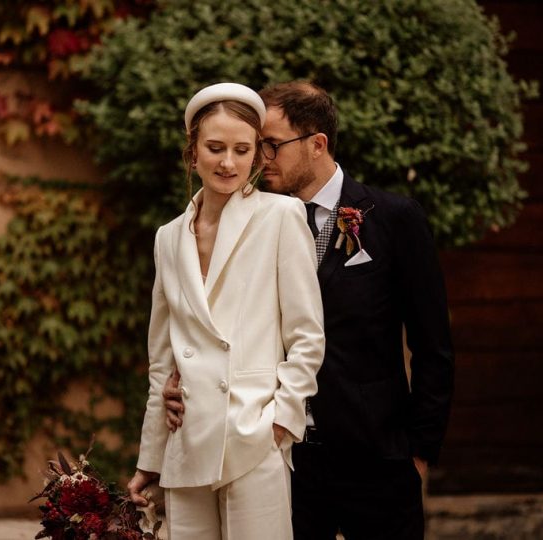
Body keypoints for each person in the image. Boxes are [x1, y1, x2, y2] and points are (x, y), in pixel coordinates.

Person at [164, 81, 455, 540]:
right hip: (285, 457)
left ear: (317, 144)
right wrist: (183, 386)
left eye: (270, 146)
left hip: (376, 457)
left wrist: (418, 450)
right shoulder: (244, 224)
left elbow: (433, 345)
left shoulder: (394, 219)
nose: (259, 159)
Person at [126, 82, 325, 540]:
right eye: (215, 148)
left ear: (257, 156)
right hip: (187, 440)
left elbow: (307, 336)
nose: (227, 162)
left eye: (242, 149)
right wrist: (150, 458)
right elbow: (162, 359)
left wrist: (280, 421)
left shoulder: (281, 216)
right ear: (192, 153)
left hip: (253, 435)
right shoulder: (168, 238)